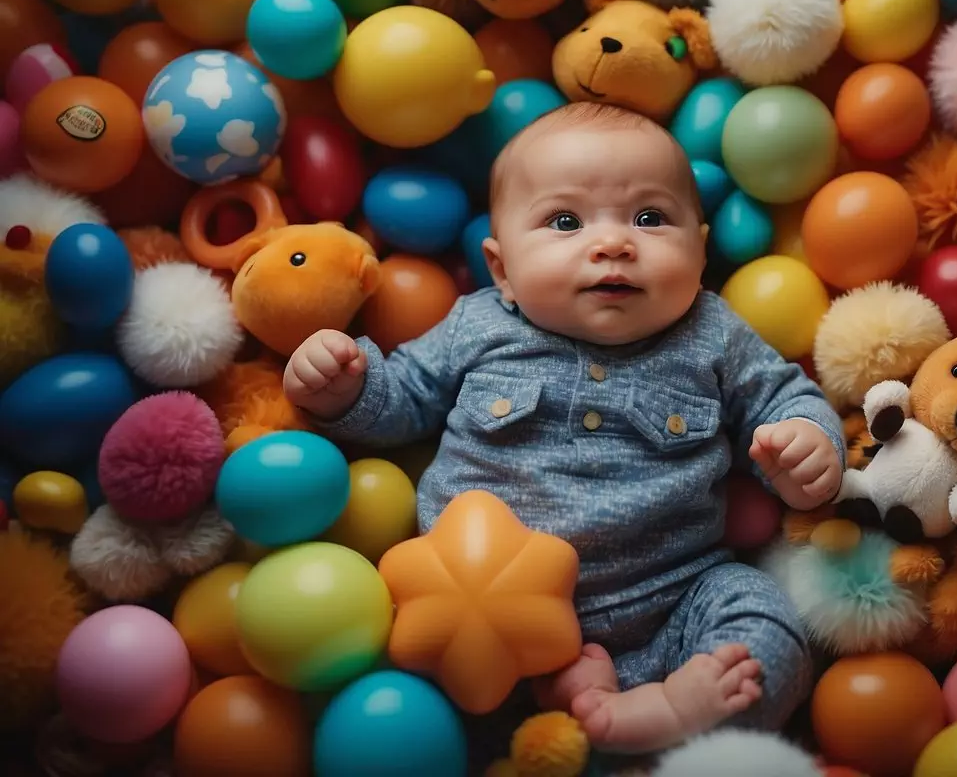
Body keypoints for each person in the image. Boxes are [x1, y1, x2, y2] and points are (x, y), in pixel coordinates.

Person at [284, 102, 845, 757]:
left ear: (699, 247)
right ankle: (571, 731)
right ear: (502, 271)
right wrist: (345, 387)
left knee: (765, 626)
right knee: (416, 697)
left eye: (649, 218)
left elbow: (782, 397)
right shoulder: (482, 326)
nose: (612, 243)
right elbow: (404, 400)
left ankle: (667, 716)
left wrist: (807, 446)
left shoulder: (713, 335)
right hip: (487, 624)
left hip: (672, 607)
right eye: (564, 222)